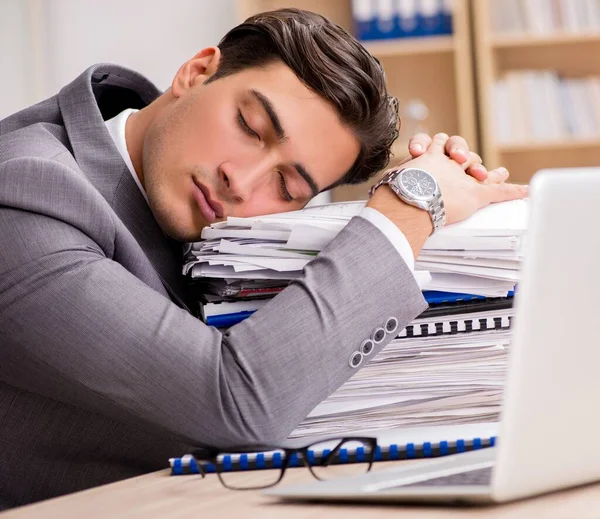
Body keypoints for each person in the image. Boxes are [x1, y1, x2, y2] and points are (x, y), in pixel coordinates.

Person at [0, 8, 526, 509]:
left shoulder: (224, 226)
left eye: (287, 184)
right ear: (198, 71)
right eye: (250, 127)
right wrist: (407, 211)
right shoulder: (28, 194)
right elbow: (232, 398)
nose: (242, 180)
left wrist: (439, 213)